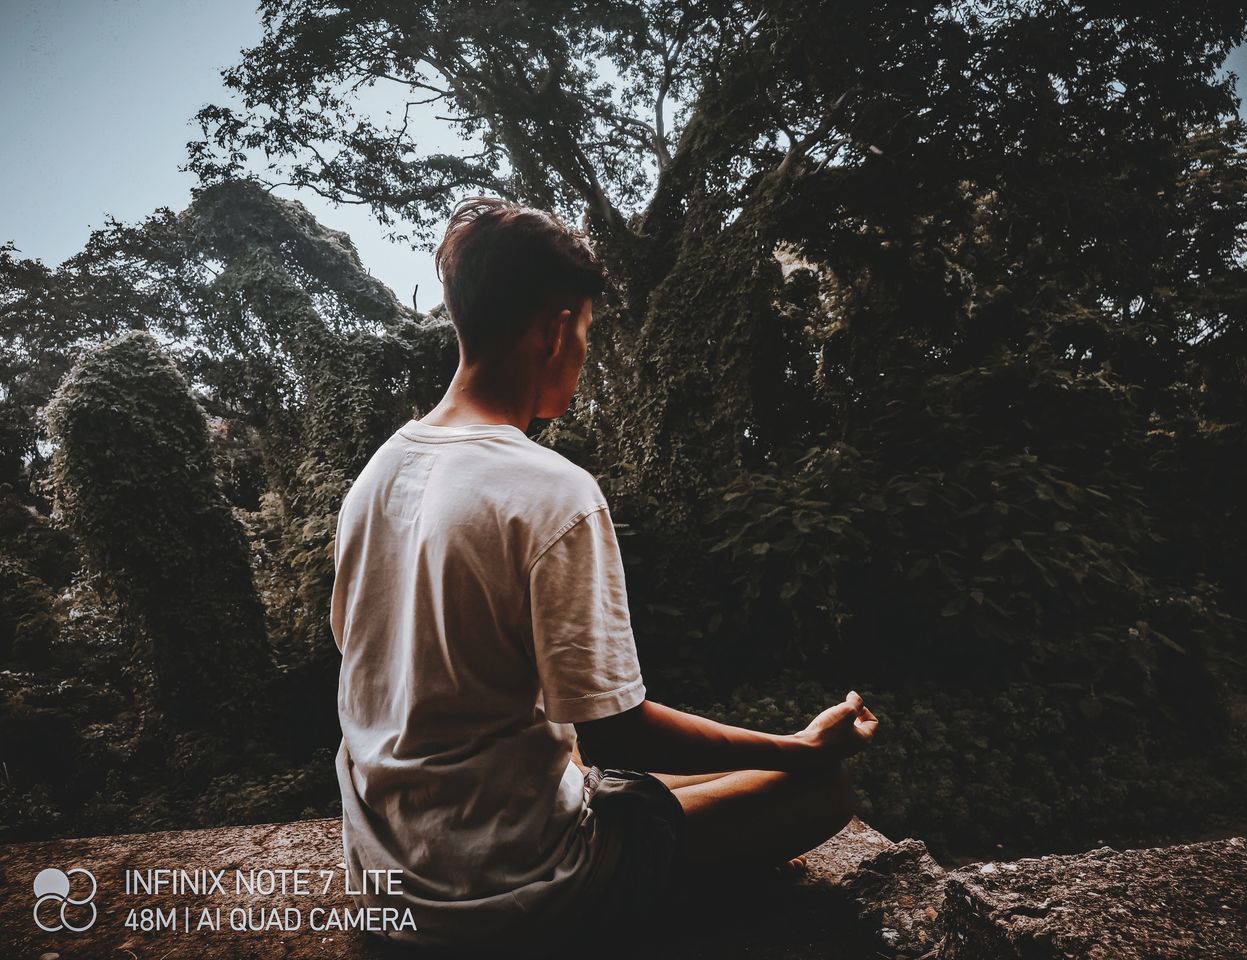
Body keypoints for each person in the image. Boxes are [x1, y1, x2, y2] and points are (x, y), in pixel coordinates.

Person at [329, 195, 878, 957]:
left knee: (613, 778)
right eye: (586, 334)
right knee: (821, 795)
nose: (584, 356)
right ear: (555, 328)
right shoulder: (550, 490)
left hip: (393, 872)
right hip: (513, 888)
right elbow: (612, 725)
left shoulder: (376, 477)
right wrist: (797, 748)